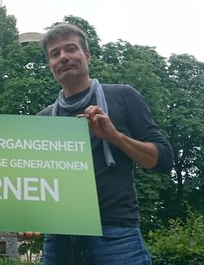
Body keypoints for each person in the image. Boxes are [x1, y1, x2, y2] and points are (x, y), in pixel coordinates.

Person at [36, 23, 173, 265]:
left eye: (71, 49)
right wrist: (30, 221)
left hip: (116, 234)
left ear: (87, 55)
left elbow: (162, 160)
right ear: (50, 65)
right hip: (59, 240)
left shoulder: (123, 96)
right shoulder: (43, 120)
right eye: (55, 54)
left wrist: (115, 137)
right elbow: (35, 182)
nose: (63, 57)